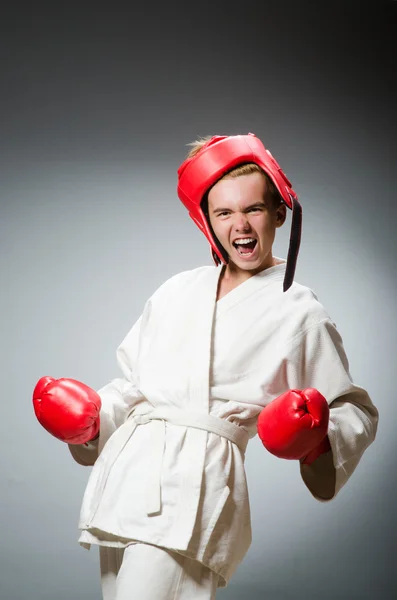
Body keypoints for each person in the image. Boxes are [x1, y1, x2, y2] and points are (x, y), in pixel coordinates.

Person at [33, 133, 378, 600]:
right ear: (208, 222)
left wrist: (317, 441)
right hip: (129, 481)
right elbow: (135, 385)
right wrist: (94, 417)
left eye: (254, 209)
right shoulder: (179, 289)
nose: (241, 225)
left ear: (279, 212)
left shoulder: (299, 310)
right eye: (224, 213)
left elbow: (352, 410)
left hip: (196, 488)